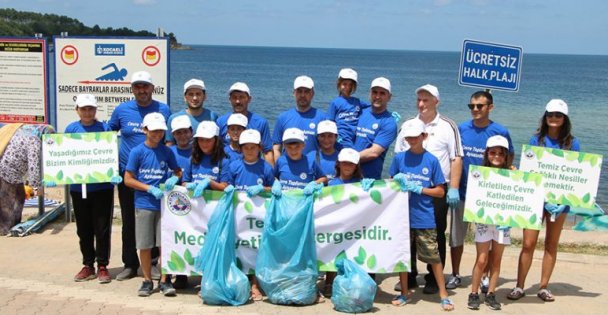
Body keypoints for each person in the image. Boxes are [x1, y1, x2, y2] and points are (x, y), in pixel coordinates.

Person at [508, 99, 580, 303]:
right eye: (550, 115)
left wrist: (565, 202)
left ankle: (543, 287)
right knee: (528, 243)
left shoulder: (573, 143)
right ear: (545, 117)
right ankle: (520, 286)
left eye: (558, 115)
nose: (554, 118)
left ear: (564, 118)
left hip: (560, 202)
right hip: (536, 200)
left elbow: (575, 176)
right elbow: (530, 173)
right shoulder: (535, 141)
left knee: (551, 244)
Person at [394, 84, 463, 294]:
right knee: (408, 233)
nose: (422, 104)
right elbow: (398, 154)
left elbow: (456, 157)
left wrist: (453, 188)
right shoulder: (408, 125)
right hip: (408, 192)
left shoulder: (448, 126)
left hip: (436, 190)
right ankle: (411, 275)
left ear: (436, 101)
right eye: (419, 100)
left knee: (436, 234)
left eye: (426, 99)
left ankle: (433, 277)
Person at [447, 91, 514, 291]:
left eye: (480, 106)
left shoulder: (500, 131)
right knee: (456, 237)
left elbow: (509, 156)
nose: (475, 109)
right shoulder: (461, 129)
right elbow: (454, 157)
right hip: (462, 193)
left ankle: (485, 276)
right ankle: (456, 274)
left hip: (488, 197)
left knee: (490, 239)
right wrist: (453, 187)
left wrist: (511, 175)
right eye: (472, 106)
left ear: (490, 107)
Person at [109, 71, 171, 281]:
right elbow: (106, 136)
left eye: (145, 86)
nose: (142, 90)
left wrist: (171, 172)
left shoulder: (163, 109)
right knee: (128, 220)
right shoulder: (122, 110)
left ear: (152, 88)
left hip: (155, 176)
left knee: (155, 221)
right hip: (128, 175)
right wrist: (108, 167)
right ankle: (129, 263)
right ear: (132, 89)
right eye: (137, 86)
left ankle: (153, 263)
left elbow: (168, 142)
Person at [388, 119, 454, 311]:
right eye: (408, 137)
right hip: (403, 217)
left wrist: (420, 189)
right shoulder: (399, 158)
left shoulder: (432, 160)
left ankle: (443, 295)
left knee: (434, 257)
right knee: (403, 257)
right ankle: (405, 293)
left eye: (415, 137)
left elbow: (441, 191)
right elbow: (391, 184)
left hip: (424, 217)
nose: (411, 140)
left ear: (424, 136)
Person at [60, 94, 120, 284]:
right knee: (83, 229)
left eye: (91, 109)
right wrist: (56, 173)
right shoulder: (71, 129)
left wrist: (114, 170)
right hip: (78, 188)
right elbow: (65, 155)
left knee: (102, 229)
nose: (87, 112)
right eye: (84, 108)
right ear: (77, 110)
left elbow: (112, 152)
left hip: (102, 187)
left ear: (96, 110)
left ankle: (102, 265)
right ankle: (88, 265)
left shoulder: (105, 128)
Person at [124, 112, 182, 297]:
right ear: (145, 130)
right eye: (154, 130)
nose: (158, 134)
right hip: (144, 204)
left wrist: (174, 178)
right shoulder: (137, 152)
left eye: (161, 131)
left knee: (164, 244)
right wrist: (148, 188)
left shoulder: (167, 151)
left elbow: (178, 171)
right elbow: (128, 179)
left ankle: (165, 280)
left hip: (164, 206)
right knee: (145, 245)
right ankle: (147, 280)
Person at [224, 129, 275, 301]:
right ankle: (239, 281)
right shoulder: (234, 166)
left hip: (258, 217)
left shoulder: (266, 168)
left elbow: (273, 189)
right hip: (239, 216)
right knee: (238, 247)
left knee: (257, 248)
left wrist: (264, 188)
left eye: (253, 147)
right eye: (246, 147)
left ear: (260, 148)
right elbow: (227, 186)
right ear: (240, 148)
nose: (250, 151)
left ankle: (255, 284)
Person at [467, 136, 512, 311]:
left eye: (501, 153)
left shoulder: (513, 174)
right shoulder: (479, 174)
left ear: (506, 155)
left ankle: (491, 294)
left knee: (496, 260)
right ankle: (473, 293)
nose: (496, 156)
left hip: (503, 224)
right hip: (484, 222)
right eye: (493, 152)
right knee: (482, 259)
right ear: (487, 153)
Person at [322, 148, 363, 297]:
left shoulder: (361, 184)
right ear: (338, 164)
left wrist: (373, 186)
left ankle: (353, 280)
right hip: (336, 225)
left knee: (354, 253)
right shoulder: (332, 184)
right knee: (332, 251)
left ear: (356, 166)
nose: (347, 166)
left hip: (355, 225)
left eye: (351, 164)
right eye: (344, 163)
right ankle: (328, 282)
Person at [216, 82, 274, 166]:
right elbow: (215, 150)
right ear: (230, 99)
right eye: (234, 97)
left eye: (242, 97)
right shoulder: (221, 122)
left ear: (249, 99)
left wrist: (270, 176)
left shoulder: (260, 123)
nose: (238, 101)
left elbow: (267, 152)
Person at [0, 123, 43, 235]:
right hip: (10, 173)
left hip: (3, 167)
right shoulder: (35, 140)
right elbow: (34, 166)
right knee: (10, 202)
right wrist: (36, 188)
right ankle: (5, 229)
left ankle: (12, 225)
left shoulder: (19, 132)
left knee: (17, 197)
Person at [166, 115, 193, 289]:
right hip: (171, 202)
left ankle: (184, 274)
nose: (182, 136)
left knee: (189, 236)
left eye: (185, 132)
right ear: (173, 135)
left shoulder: (197, 151)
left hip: (192, 202)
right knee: (171, 237)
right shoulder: (169, 152)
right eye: (178, 133)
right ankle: (169, 274)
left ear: (191, 132)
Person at [272, 75, 326, 161]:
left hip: (313, 171)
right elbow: (276, 148)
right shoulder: (283, 118)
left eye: (307, 91)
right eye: (299, 91)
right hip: (288, 171)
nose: (303, 95)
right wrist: (279, 169)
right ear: (294, 93)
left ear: (312, 94)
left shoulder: (322, 118)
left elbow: (327, 149)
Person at [353, 77, 398, 179]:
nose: (377, 96)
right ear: (370, 93)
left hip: (367, 179)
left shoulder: (389, 123)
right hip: (345, 176)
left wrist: (346, 159)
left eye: (382, 93)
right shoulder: (359, 112)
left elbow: (373, 152)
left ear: (389, 97)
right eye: (375, 92)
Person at [166, 79, 218, 145]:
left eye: (198, 94)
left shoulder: (212, 116)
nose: (195, 98)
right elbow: (169, 145)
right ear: (185, 97)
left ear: (204, 96)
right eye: (191, 94)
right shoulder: (174, 118)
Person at [182, 121, 230, 192]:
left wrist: (210, 183)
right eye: (201, 140)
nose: (204, 144)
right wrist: (188, 185)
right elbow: (184, 182)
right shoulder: (192, 159)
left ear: (216, 140)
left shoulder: (223, 161)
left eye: (208, 140)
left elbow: (225, 186)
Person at [327, 68, 369, 148]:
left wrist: (388, 114)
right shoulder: (335, 102)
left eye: (350, 85)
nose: (347, 87)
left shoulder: (357, 102)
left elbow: (372, 106)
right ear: (339, 84)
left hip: (355, 137)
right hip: (341, 138)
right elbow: (329, 122)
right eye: (344, 84)